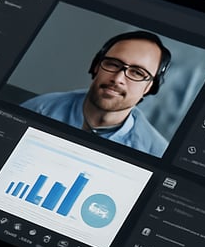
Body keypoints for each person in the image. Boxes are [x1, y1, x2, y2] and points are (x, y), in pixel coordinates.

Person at [21, 30, 172, 156]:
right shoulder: (40, 109)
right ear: (96, 66)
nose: (118, 79)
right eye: (113, 64)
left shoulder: (156, 152)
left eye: (137, 73)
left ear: (149, 87)